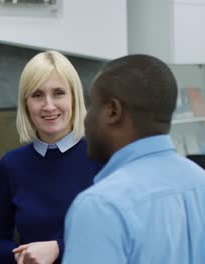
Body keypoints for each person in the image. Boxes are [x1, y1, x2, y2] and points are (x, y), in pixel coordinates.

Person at [63, 54, 205, 263]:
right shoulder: (200, 182)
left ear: (113, 111)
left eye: (91, 105)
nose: (86, 118)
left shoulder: (101, 206)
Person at [0, 50, 101, 264]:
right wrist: (22, 256)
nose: (48, 106)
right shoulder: (10, 165)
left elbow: (116, 232)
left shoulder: (103, 159)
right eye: (37, 95)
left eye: (58, 93)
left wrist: (58, 248)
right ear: (26, 104)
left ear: (74, 98)